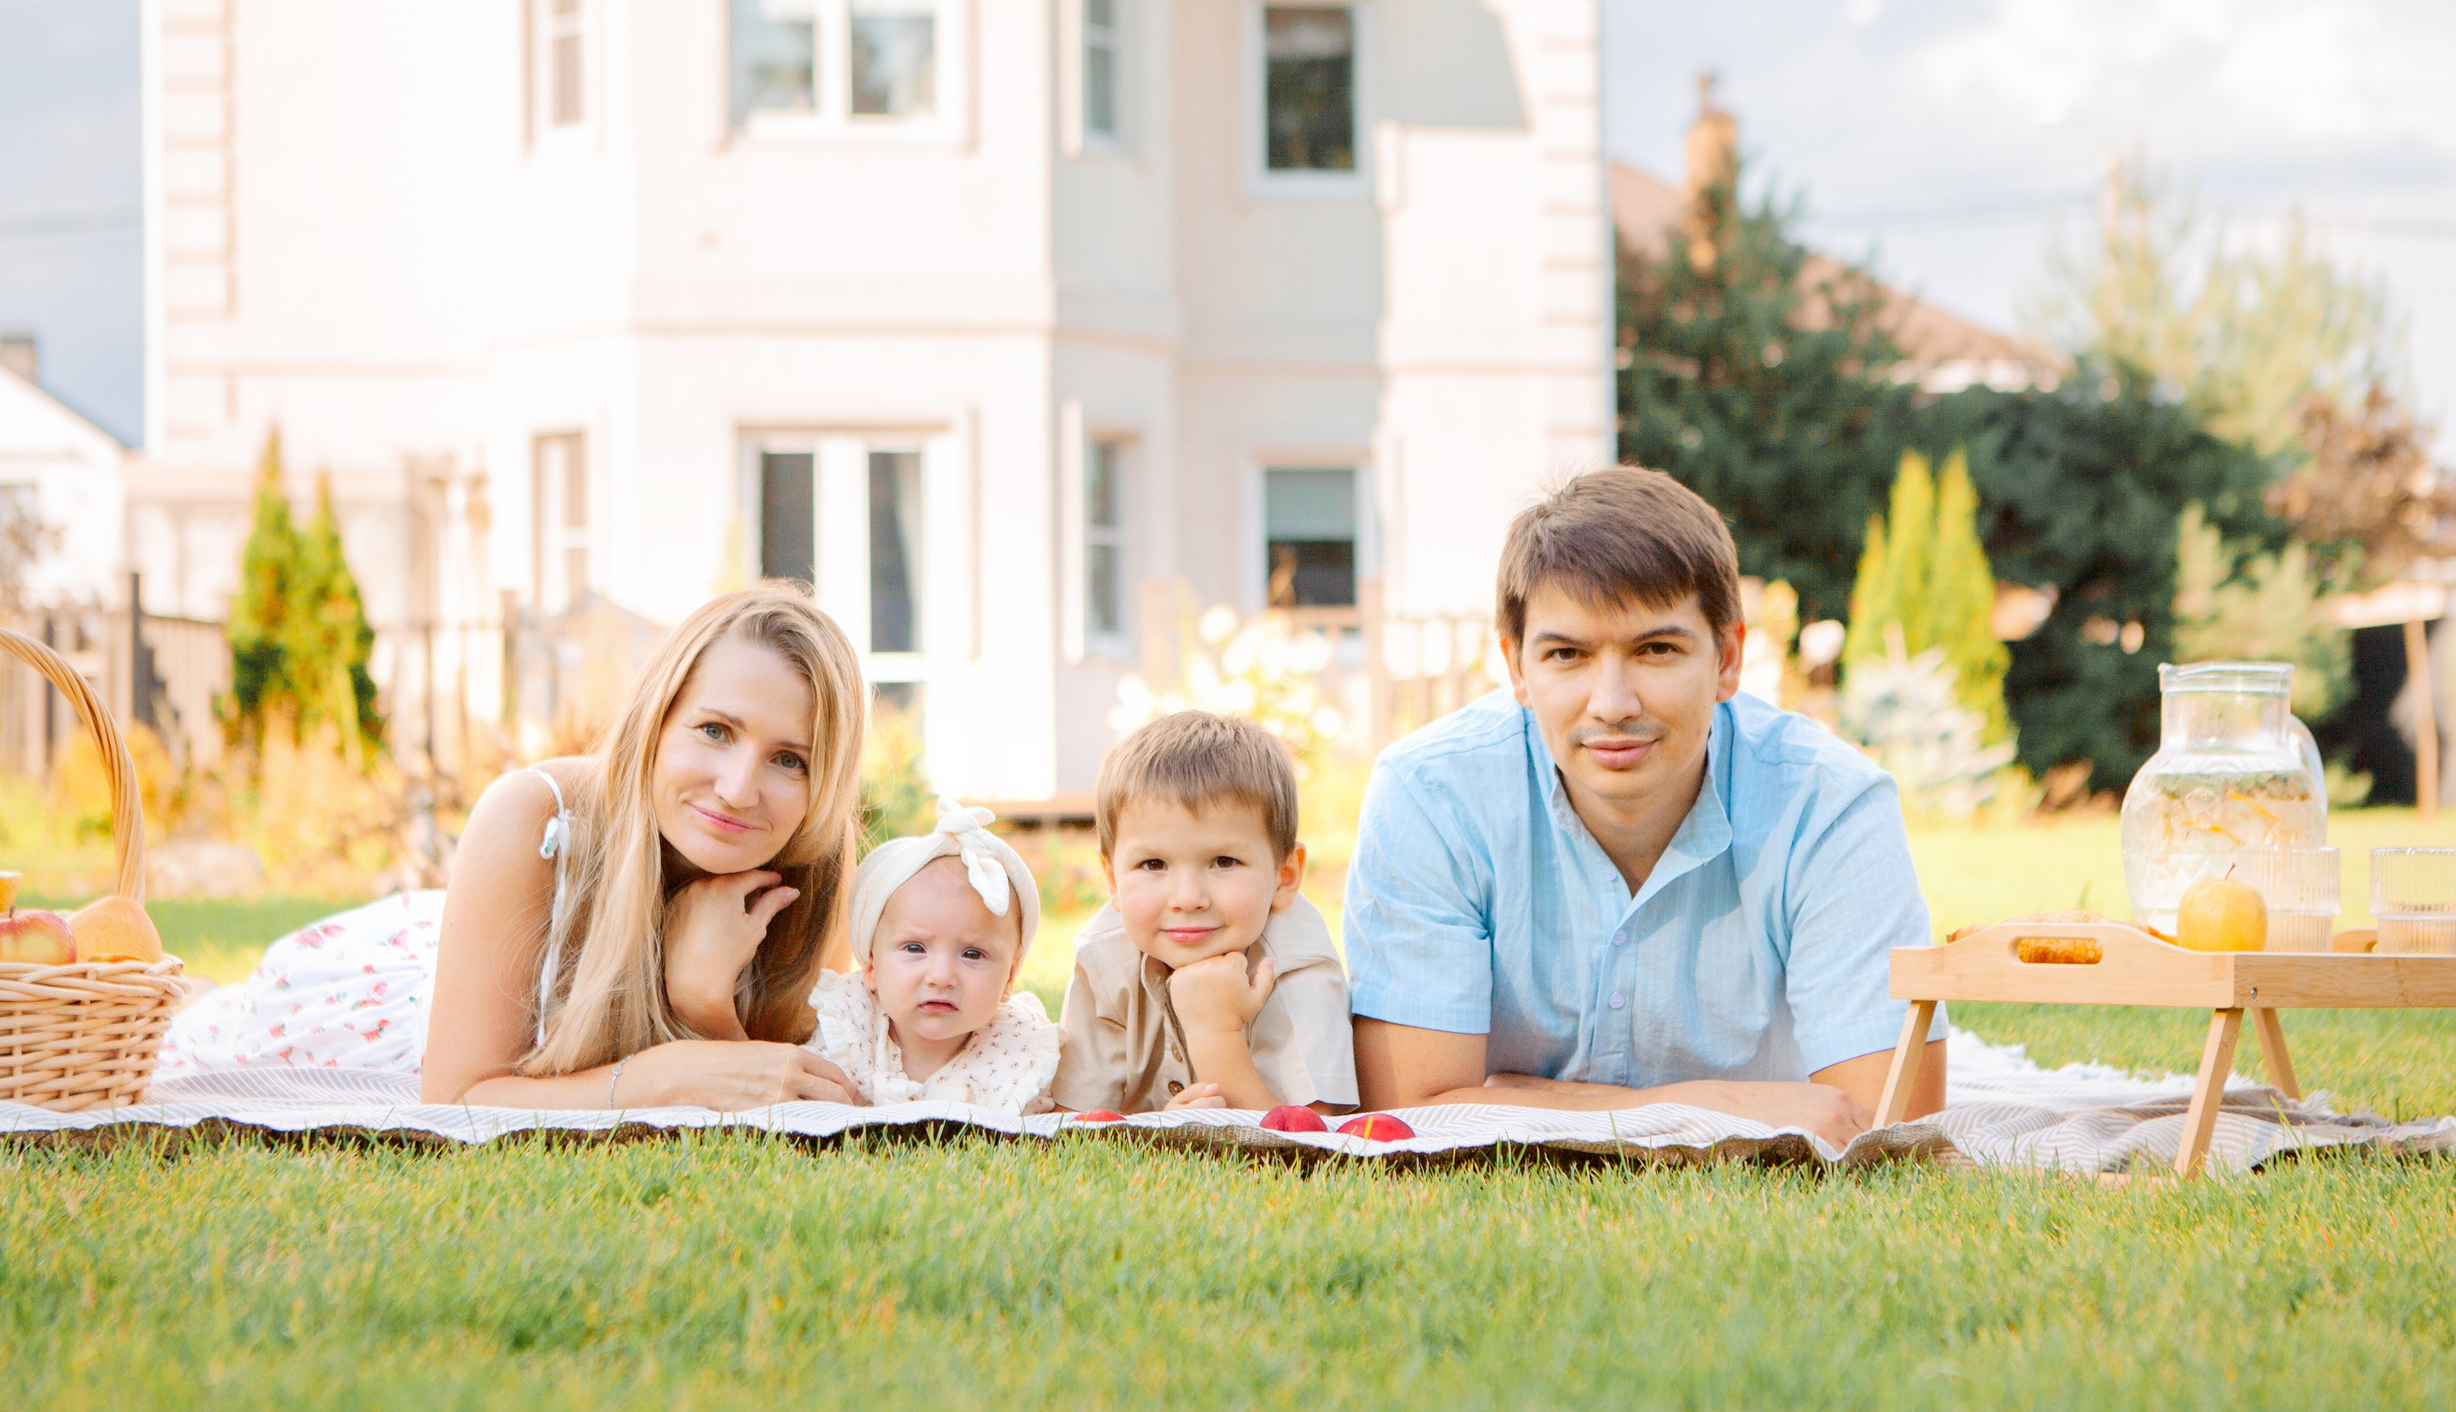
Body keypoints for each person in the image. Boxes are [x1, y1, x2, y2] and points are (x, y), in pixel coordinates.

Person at [1344, 467, 1947, 1149]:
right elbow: (1410, 1112)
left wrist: (1524, 1098)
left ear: (1727, 658)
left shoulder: (1830, 804)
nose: (1612, 704)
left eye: (1656, 649)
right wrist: (1705, 1107)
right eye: (1567, 654)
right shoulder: (1429, 795)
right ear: (1516, 668)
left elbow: (1887, 1124)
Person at [162, 585, 874, 1112]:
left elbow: (758, 1087)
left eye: (790, 760)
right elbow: (457, 1097)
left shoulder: (814, 873)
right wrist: (658, 1077)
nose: (738, 788)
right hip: (408, 989)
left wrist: (704, 1003)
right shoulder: (536, 818)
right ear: (656, 721)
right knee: (196, 1031)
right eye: (715, 731)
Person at [1053, 710, 1358, 1115]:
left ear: (1284, 876)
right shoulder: (1103, 955)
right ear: (1112, 879)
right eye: (1153, 864)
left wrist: (1215, 1033)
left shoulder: (1297, 966)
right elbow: (1072, 1127)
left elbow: (1311, 1137)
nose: (1187, 898)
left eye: (1224, 861)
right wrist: (1162, 1130)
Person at [805, 799, 1059, 1111]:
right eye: (915, 948)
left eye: (972, 954)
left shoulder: (1018, 1052)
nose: (941, 977)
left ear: (1009, 977)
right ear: (871, 965)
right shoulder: (846, 1029)